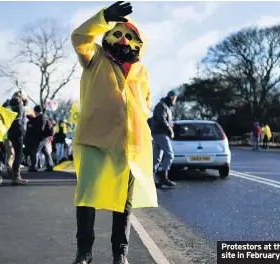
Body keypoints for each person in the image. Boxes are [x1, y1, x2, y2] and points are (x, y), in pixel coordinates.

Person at [71, 2, 157, 263]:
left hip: (129, 144)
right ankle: (84, 252)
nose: (122, 39)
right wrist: (105, 17)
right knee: (86, 197)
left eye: (129, 36)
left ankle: (120, 254)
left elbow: (145, 102)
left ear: (138, 43)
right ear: (107, 35)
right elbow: (80, 37)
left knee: (124, 203)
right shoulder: (95, 57)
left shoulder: (141, 70)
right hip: (94, 139)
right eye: (117, 33)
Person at [151, 89, 179, 187]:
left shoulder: (167, 107)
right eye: (175, 98)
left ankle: (150, 180)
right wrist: (170, 130)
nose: (175, 100)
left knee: (157, 158)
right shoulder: (162, 105)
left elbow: (166, 120)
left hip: (160, 133)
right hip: (160, 133)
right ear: (172, 97)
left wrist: (172, 127)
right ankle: (163, 177)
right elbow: (161, 119)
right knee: (170, 154)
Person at [7, 91, 29, 185]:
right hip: (18, 131)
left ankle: (16, 176)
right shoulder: (20, 106)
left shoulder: (9, 106)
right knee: (19, 155)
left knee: (16, 154)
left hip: (11, 131)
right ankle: (16, 177)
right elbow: (23, 121)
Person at [27, 106, 55, 172]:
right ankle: (50, 165)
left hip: (41, 138)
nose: (34, 113)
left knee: (34, 151)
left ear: (36, 111)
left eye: (34, 111)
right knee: (45, 151)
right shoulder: (43, 117)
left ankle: (33, 167)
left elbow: (39, 129)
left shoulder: (41, 118)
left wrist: (32, 126)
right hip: (45, 137)